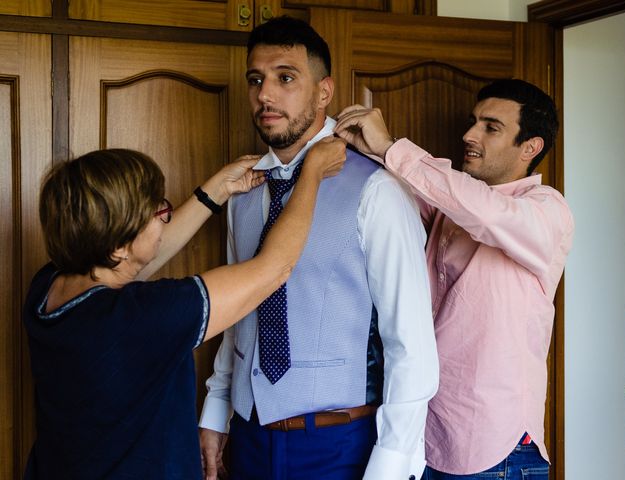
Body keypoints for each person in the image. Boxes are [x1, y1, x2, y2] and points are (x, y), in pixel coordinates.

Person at [198, 15, 439, 480]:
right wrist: (216, 408)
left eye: (285, 78)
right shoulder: (242, 191)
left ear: (324, 91)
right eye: (256, 80)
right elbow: (237, 311)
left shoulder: (378, 191)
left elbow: (410, 343)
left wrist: (390, 466)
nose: (265, 95)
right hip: (248, 437)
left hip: (340, 445)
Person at [23, 141, 345, 480]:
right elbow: (274, 268)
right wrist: (311, 173)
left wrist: (217, 190)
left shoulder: (48, 288)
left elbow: (136, 259)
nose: (164, 220)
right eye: (157, 212)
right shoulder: (146, 316)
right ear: (118, 246)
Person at [334, 79, 575, 480]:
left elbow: (486, 215)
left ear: (530, 147)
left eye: (490, 127)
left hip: (496, 451)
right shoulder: (452, 207)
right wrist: (365, 149)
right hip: (428, 439)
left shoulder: (547, 212)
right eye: (473, 122)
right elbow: (403, 192)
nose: (469, 135)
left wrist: (393, 147)